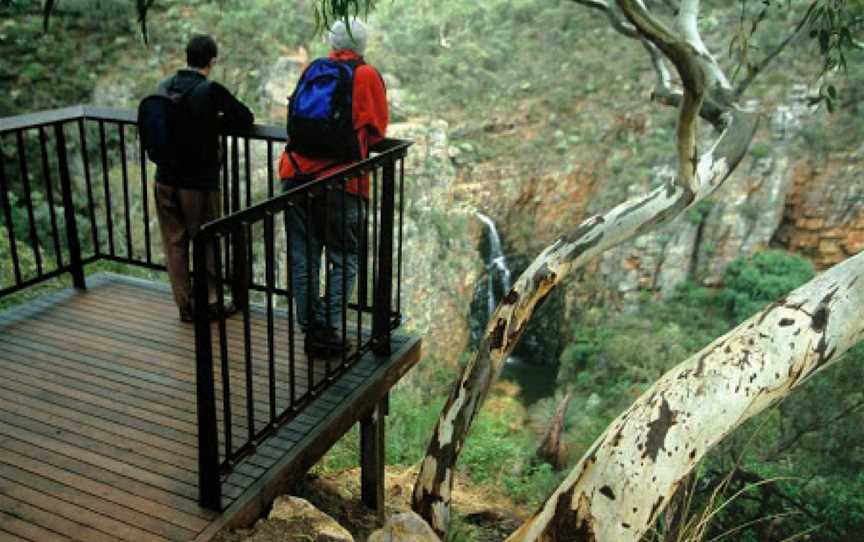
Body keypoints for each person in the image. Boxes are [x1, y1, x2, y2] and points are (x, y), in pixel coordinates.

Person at [278, 19, 389, 357]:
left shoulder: (315, 68)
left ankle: (310, 329)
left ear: (332, 42)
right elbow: (379, 131)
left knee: (303, 257)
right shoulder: (366, 75)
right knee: (344, 257)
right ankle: (327, 329)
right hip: (341, 181)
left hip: (294, 174)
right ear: (363, 44)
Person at [154, 34, 254, 322]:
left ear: (187, 57)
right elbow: (244, 118)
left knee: (174, 242)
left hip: (164, 179)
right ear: (212, 60)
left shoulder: (164, 86)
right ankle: (210, 302)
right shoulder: (210, 91)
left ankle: (185, 307)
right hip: (197, 183)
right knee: (206, 239)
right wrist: (215, 122)